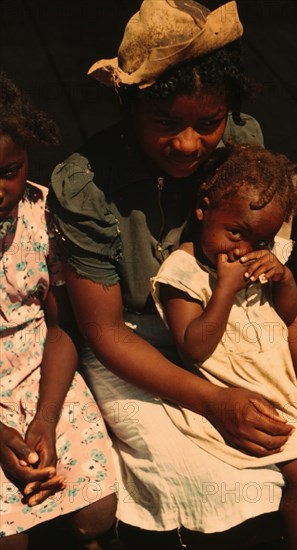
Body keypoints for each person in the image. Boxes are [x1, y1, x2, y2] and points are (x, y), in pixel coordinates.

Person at [47, 0, 297, 546]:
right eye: (165, 123)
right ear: (131, 108)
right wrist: (211, 401)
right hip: (139, 347)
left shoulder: (240, 151)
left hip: (238, 327)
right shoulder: (90, 184)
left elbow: (270, 285)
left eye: (208, 123)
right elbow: (104, 333)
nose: (187, 144)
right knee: (202, 474)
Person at [151, 142, 297, 549]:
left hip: (279, 365)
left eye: (261, 240)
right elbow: (193, 348)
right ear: (204, 208)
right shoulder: (182, 273)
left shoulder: (262, 254)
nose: (243, 250)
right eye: (235, 232)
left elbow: (290, 316)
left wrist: (285, 280)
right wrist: (224, 292)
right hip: (236, 382)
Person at [0, 73, 117, 550]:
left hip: (41, 370)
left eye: (9, 170)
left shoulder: (43, 216)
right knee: (11, 538)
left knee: (96, 513)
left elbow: (63, 325)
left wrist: (46, 416)